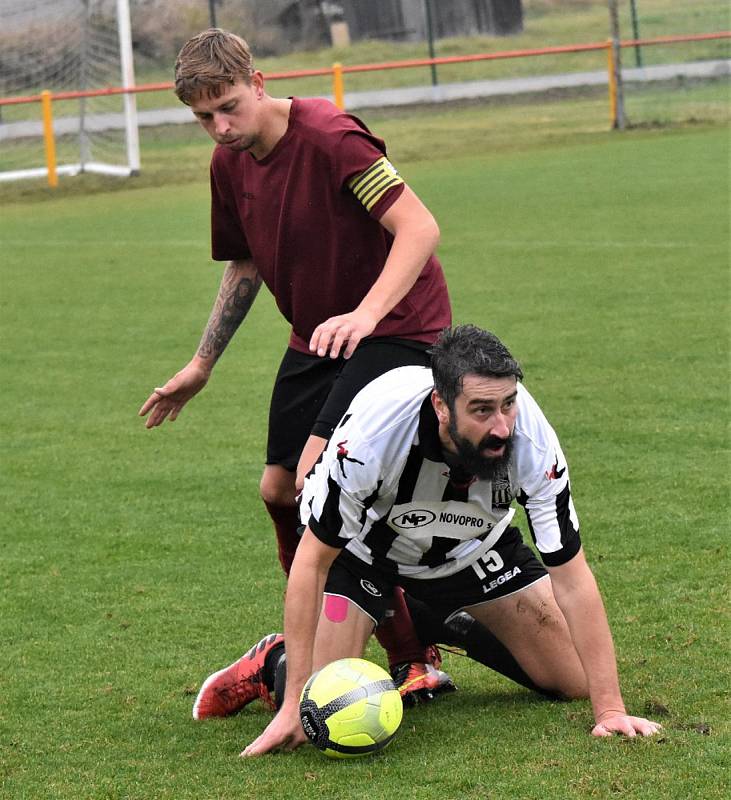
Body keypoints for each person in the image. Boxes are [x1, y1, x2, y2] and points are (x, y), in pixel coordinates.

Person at [137, 28, 453, 698]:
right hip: (316, 339)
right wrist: (201, 364)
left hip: (398, 329)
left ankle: (409, 655)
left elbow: (419, 228)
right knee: (278, 492)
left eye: (227, 106)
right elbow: (246, 261)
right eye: (202, 118)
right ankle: (327, 636)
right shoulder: (227, 165)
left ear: (257, 82)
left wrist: (366, 316)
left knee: (322, 482)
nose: (219, 127)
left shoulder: (329, 134)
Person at [192, 325, 662, 754]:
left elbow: (573, 577)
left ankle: (438, 619)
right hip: (363, 555)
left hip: (473, 552)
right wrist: (295, 699)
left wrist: (611, 710)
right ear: (441, 404)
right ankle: (276, 661)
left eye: (508, 403)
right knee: (325, 706)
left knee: (578, 680)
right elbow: (312, 561)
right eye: (481, 410)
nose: (501, 426)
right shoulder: (371, 438)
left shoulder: (533, 444)